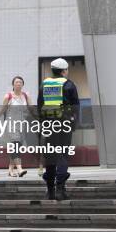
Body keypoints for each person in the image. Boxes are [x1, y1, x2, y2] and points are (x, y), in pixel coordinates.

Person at [38, 58, 79, 200]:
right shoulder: (69, 85)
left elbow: (39, 107)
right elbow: (75, 107)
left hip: (49, 125)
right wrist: (73, 125)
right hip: (64, 125)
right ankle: (60, 188)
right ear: (64, 71)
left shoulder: (44, 85)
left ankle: (50, 191)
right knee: (62, 155)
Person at [0, 76, 33, 177]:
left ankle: (10, 170)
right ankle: (19, 169)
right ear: (13, 84)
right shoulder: (8, 96)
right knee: (15, 145)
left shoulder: (26, 95)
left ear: (23, 84)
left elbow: (31, 108)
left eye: (20, 82)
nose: (18, 84)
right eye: (16, 82)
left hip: (22, 124)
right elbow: (3, 109)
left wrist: (37, 117)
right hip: (11, 124)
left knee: (17, 147)